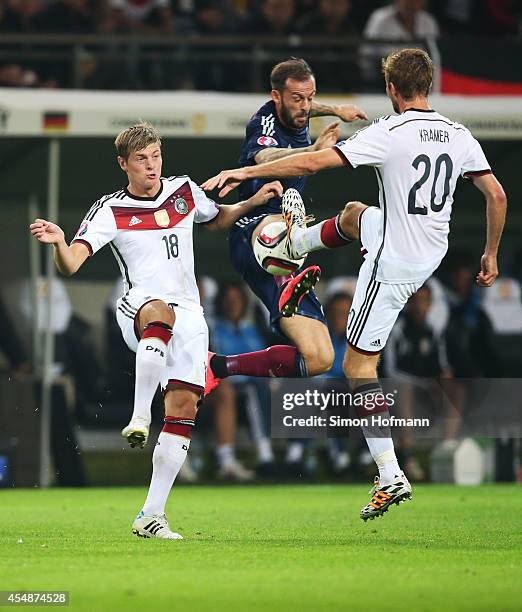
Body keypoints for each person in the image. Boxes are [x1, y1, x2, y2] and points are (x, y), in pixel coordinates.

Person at [202, 48, 507, 520]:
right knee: (353, 214)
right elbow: (496, 194)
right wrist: (490, 253)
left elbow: (309, 165)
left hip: (395, 259)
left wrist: (244, 170)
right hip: (428, 246)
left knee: (358, 367)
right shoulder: (458, 133)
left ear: (391, 90)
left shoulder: (388, 132)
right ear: (429, 84)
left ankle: (390, 474)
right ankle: (298, 243)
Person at [30, 122, 282, 539]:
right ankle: (139, 415)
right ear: (123, 164)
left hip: (190, 316)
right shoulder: (109, 210)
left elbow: (218, 219)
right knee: (159, 312)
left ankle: (151, 514)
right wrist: (59, 241)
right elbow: (72, 263)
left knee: (183, 409)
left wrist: (252, 200)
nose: (152, 165)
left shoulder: (183, 190)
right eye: (142, 159)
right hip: (139, 308)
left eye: (156, 156)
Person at [206, 57, 367, 391]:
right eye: (297, 99)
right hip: (251, 226)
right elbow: (264, 158)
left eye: (310, 97)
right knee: (285, 216)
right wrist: (312, 150)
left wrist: (335, 109)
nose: (305, 106)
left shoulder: (300, 108)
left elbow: (307, 105)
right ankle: (293, 246)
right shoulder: (263, 123)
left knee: (320, 358)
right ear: (275, 97)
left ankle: (218, 365)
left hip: (284, 251)